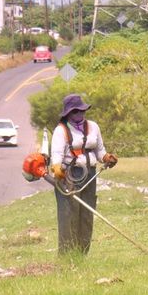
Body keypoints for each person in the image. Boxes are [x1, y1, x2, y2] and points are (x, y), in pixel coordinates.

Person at [50, 94, 118, 255]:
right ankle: (67, 256)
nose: (80, 114)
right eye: (75, 111)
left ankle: (82, 254)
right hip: (69, 176)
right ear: (68, 113)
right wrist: (57, 168)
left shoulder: (93, 127)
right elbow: (57, 154)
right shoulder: (61, 130)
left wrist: (106, 158)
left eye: (82, 110)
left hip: (90, 175)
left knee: (87, 214)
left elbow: (100, 150)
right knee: (69, 215)